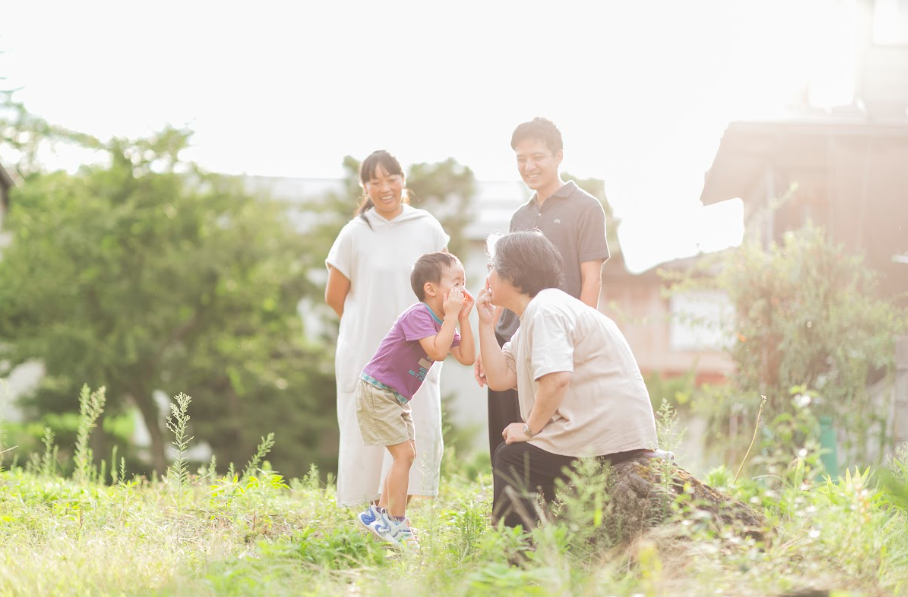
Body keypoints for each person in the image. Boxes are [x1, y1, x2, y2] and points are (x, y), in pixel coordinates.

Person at [475, 231, 658, 529]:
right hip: (601, 433)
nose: (488, 277)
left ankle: (516, 558)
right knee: (517, 457)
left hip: (606, 438)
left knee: (512, 458)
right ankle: (536, 548)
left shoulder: (546, 310)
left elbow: (557, 379)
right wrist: (485, 325)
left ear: (514, 273)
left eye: (492, 267)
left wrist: (530, 429)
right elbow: (500, 378)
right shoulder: (537, 314)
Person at [474, 117, 610, 463]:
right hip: (509, 341)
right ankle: (507, 517)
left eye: (537, 157)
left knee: (544, 441)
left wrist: (581, 340)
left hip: (553, 344)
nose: (528, 166)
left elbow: (591, 278)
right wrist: (488, 346)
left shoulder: (586, 208)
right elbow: (506, 280)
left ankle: (548, 516)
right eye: (521, 159)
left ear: (558, 156)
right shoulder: (519, 217)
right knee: (503, 441)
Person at [325, 150, 451, 508]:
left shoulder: (427, 227)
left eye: (391, 178)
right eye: (374, 181)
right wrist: (366, 329)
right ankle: (366, 517)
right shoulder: (354, 233)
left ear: (403, 180)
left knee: (417, 432)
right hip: (368, 353)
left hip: (419, 353)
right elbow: (335, 297)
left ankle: (393, 517)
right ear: (364, 187)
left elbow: (447, 288)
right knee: (364, 438)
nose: (384, 188)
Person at [355, 252, 475, 549]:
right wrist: (450, 318)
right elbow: (436, 351)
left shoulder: (444, 322)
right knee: (404, 456)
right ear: (431, 289)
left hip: (394, 397)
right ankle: (396, 523)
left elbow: (467, 358)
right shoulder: (419, 315)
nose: (462, 289)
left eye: (464, 282)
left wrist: (463, 319)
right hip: (378, 390)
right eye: (456, 282)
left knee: (406, 454)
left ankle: (379, 514)